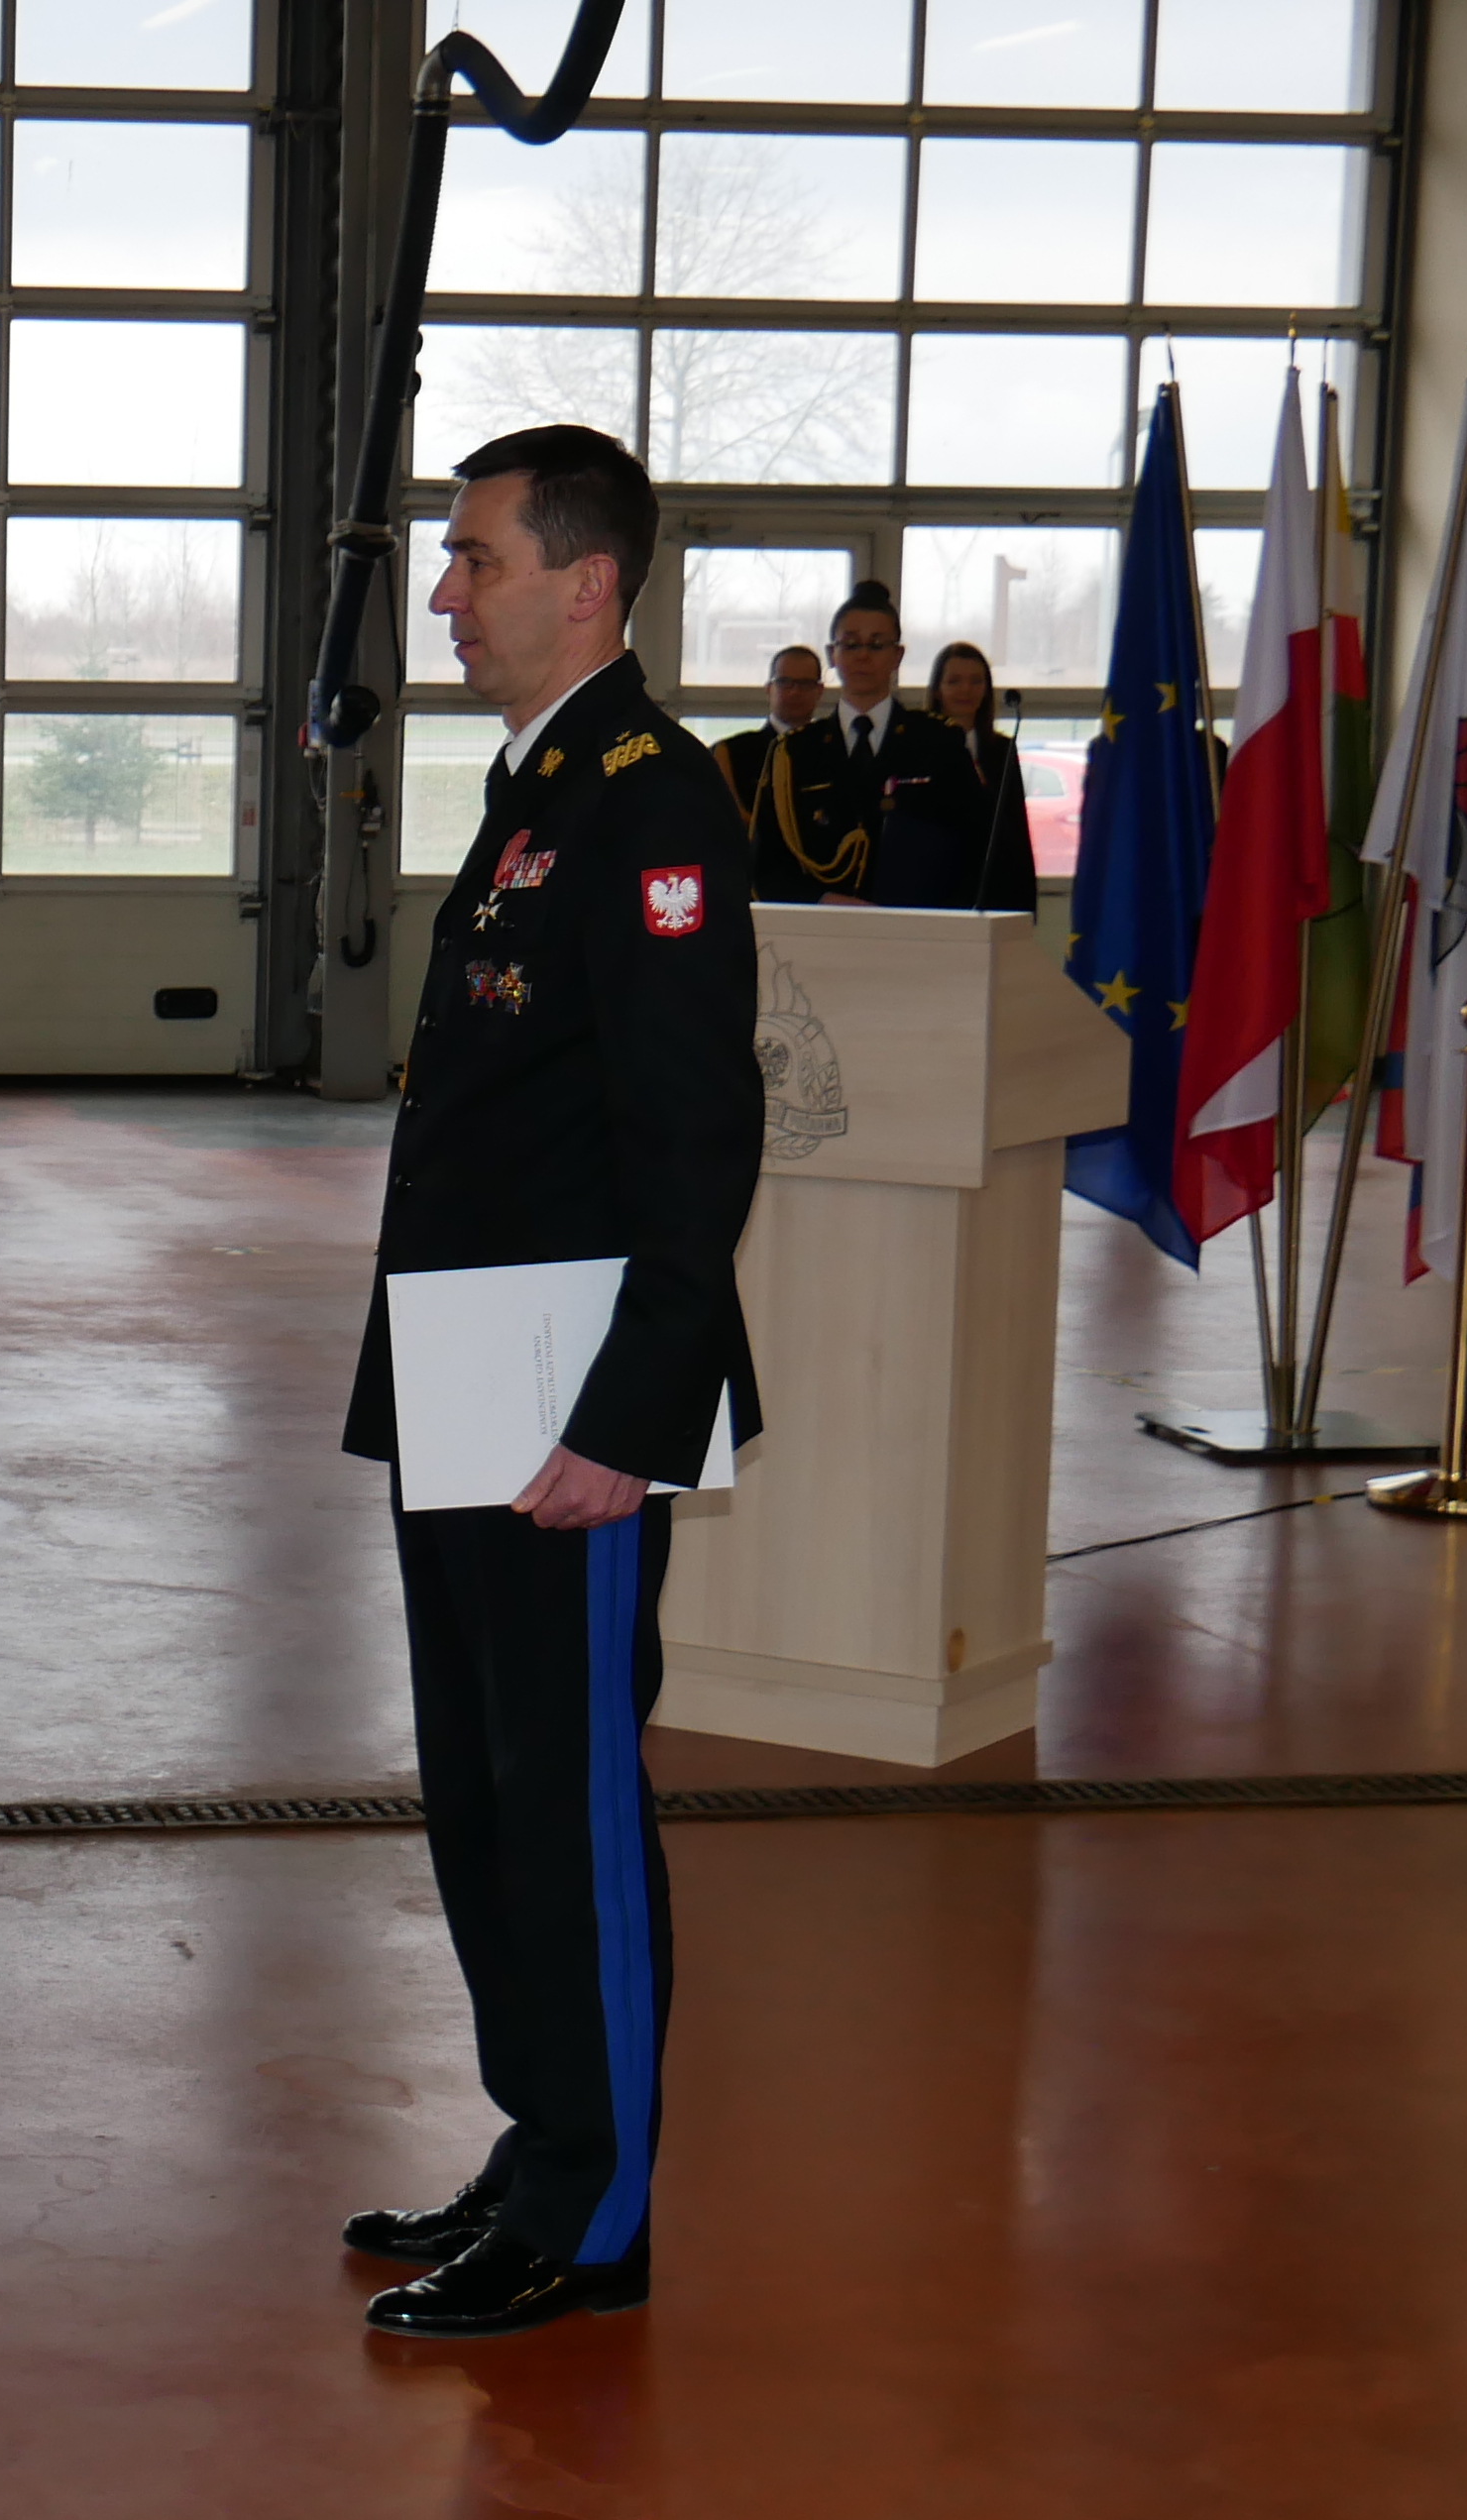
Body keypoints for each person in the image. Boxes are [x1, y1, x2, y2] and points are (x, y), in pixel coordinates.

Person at [340, 424, 765, 2342]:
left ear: (585, 584)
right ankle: (537, 2142)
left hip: (563, 1387)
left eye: (475, 558)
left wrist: (629, 1414)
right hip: (465, 1366)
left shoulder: (646, 799)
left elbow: (692, 1132)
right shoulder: (540, 788)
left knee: (569, 1796)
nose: (445, 593)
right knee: (483, 1782)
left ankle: (593, 2212)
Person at [820, 582, 986, 907]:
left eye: (877, 645)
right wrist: (822, 900)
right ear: (831, 655)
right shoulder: (796, 752)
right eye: (851, 644)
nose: (863, 656)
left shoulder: (941, 742)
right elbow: (769, 862)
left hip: (921, 926)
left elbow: (975, 847)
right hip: (816, 927)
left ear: (897, 656)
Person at [722, 644, 858, 907]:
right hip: (752, 894)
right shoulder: (733, 754)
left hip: (830, 896)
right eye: (785, 682)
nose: (795, 692)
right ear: (768, 688)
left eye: (805, 684)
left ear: (820, 691)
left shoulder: (840, 752)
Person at [927, 640, 1042, 914]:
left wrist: (1026, 907)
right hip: (935, 894)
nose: (966, 690)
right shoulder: (920, 746)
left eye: (976, 681)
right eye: (954, 681)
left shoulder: (1002, 749)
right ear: (937, 690)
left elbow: (1016, 830)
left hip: (994, 895)